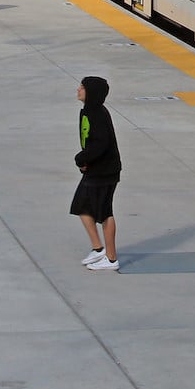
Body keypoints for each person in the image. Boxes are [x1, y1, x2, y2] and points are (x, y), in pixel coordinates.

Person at [72, 75, 122, 271]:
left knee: (104, 212)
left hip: (104, 172)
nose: (78, 90)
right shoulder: (89, 111)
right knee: (82, 206)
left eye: (82, 87)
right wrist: (84, 161)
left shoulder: (97, 114)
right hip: (96, 169)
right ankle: (98, 248)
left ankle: (110, 258)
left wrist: (81, 159)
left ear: (90, 93)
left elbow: (100, 144)